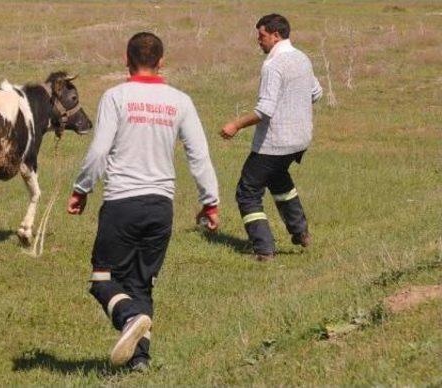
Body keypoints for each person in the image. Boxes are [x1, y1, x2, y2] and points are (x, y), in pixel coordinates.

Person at [67, 32, 220, 370]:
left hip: (123, 202)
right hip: (161, 206)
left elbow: (98, 151)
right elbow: (199, 154)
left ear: (127, 58)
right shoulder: (180, 100)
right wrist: (210, 201)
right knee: (141, 284)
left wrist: (81, 189)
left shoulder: (115, 97)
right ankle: (140, 361)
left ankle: (128, 317)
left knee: (102, 281)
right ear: (161, 61)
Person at [220, 14, 322, 261]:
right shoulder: (302, 58)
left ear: (276, 35)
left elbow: (264, 110)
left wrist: (235, 125)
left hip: (275, 142)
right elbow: (316, 93)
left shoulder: (273, 65)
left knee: (247, 191)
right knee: (278, 179)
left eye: (261, 36)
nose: (259, 41)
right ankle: (300, 232)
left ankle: (264, 249)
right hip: (300, 139)